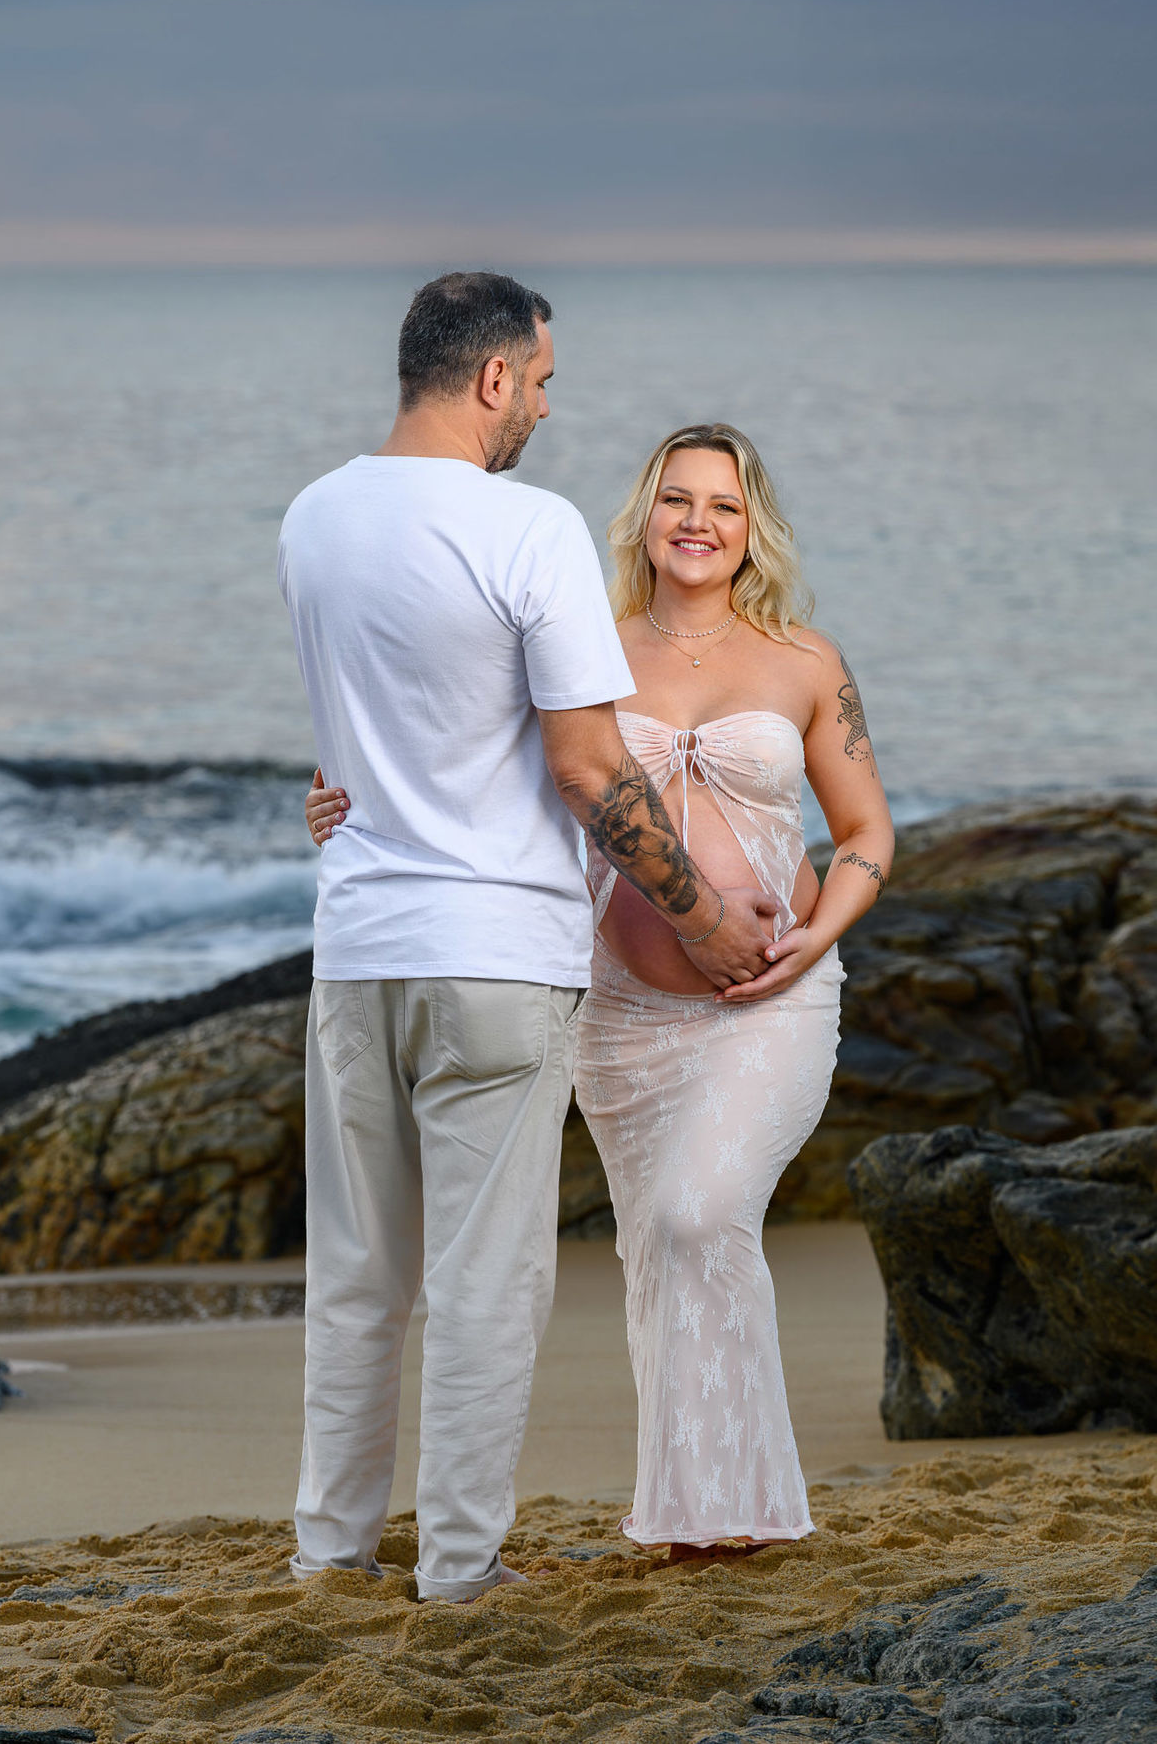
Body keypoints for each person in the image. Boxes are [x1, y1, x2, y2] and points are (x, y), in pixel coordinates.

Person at [307, 419, 894, 1563]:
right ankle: (704, 1516)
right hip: (623, 1017)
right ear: (645, 515)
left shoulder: (806, 661)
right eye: (677, 498)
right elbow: (453, 761)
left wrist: (817, 936)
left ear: (754, 528)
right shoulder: (587, 650)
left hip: (773, 1003)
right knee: (659, 1244)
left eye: (722, 505)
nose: (696, 522)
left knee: (700, 1214)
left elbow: (867, 830)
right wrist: (339, 797)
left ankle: (728, 1502)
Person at [280, 277, 777, 1605]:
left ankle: (329, 1552)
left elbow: (360, 736)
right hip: (495, 952)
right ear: (494, 377)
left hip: (356, 946)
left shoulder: (313, 516)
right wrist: (702, 916)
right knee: (485, 1279)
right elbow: (588, 766)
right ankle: (459, 1566)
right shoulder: (530, 527)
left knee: (357, 1272)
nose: (547, 409)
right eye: (543, 382)